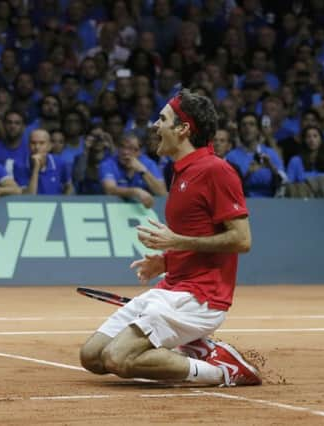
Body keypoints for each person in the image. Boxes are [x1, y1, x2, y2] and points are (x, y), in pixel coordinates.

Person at [80, 89, 261, 387]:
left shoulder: (217, 170)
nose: (154, 125)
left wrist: (176, 242)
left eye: (162, 119)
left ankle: (223, 370)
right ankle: (194, 348)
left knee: (116, 358)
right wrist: (165, 261)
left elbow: (241, 240)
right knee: (92, 357)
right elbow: (199, 235)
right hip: (172, 287)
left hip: (201, 298)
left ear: (183, 129)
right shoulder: (180, 172)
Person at [99, 132, 167, 208]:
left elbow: (162, 193)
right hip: (114, 208)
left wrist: (142, 170)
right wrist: (135, 191)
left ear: (139, 152)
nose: (125, 152)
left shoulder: (149, 164)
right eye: (122, 147)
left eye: (131, 148)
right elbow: (110, 190)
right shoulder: (108, 164)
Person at [226, 113, 286, 197]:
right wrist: (248, 174)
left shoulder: (270, 153)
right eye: (244, 125)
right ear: (239, 130)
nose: (247, 128)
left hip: (271, 203)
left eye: (252, 124)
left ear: (258, 130)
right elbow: (229, 187)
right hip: (243, 202)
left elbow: (284, 181)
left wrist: (271, 167)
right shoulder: (231, 156)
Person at [25, 129, 73, 195]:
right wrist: (36, 169)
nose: (37, 147)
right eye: (33, 143)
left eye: (42, 143)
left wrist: (64, 203)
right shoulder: (20, 166)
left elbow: (69, 186)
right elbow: (28, 198)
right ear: (28, 146)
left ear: (49, 146)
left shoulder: (60, 163)